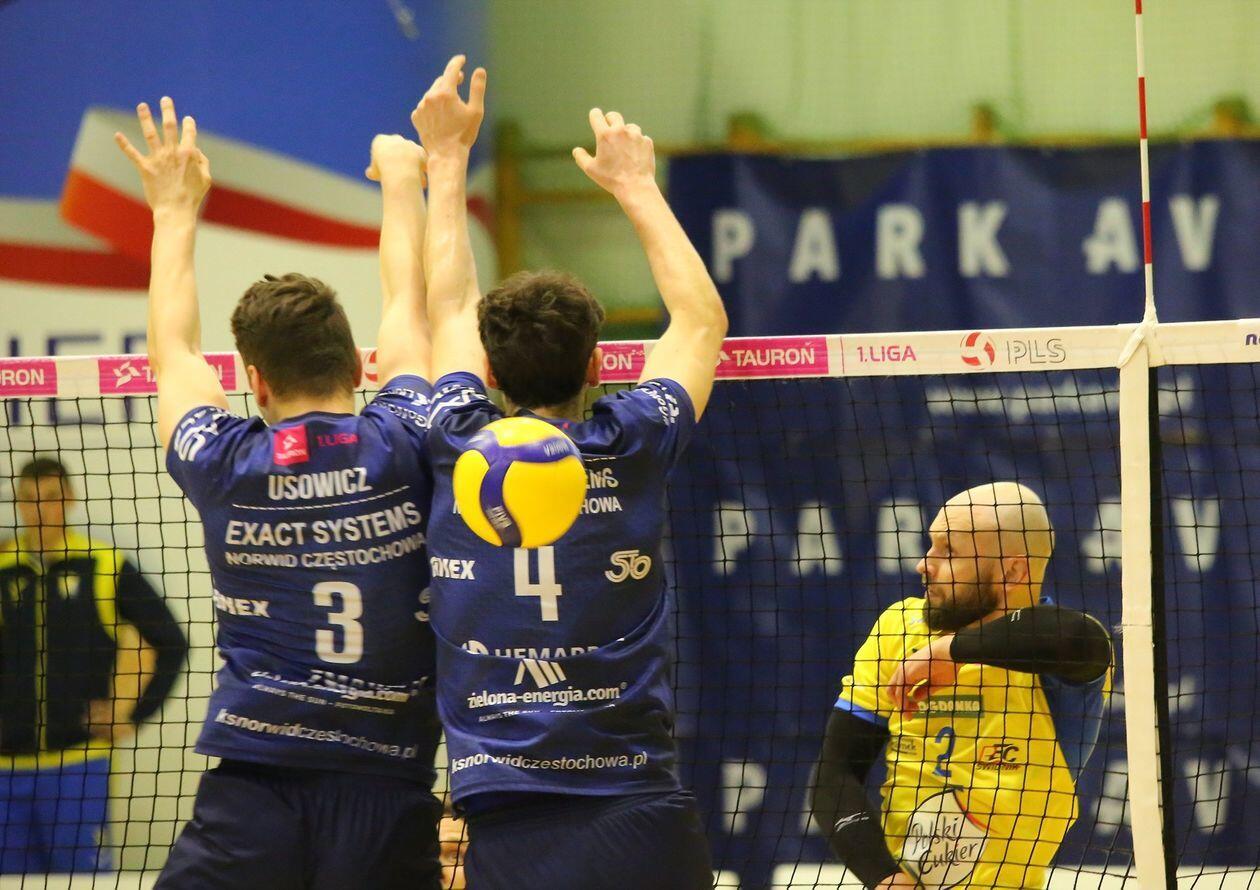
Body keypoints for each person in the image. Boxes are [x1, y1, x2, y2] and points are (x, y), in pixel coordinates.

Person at [414, 55, 728, 890]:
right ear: (597, 366)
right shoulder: (633, 439)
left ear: (489, 373)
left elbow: (448, 304)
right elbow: (700, 319)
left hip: (505, 812)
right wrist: (636, 185)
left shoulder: (454, 439)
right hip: (638, 805)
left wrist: (446, 160)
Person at [114, 98, 444, 888]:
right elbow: (408, 309)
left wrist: (173, 209)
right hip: (387, 786)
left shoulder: (223, 463)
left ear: (254, 382)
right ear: (359, 366)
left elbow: (173, 351)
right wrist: (404, 183)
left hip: (255, 793)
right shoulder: (405, 441)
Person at [810, 482, 1113, 889]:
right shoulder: (899, 628)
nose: (924, 564)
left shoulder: (1055, 659)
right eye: (931, 545)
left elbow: (1080, 636)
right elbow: (835, 774)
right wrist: (883, 878)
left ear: (1012, 572)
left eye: (948, 551)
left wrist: (951, 651)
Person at [0, 456, 186, 873]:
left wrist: (133, 714)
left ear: (69, 499)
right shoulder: (3, 566)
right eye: (29, 499)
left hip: (78, 767)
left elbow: (172, 643)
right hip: (5, 771)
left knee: (83, 880)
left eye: (50, 497)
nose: (40, 510)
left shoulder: (104, 565)